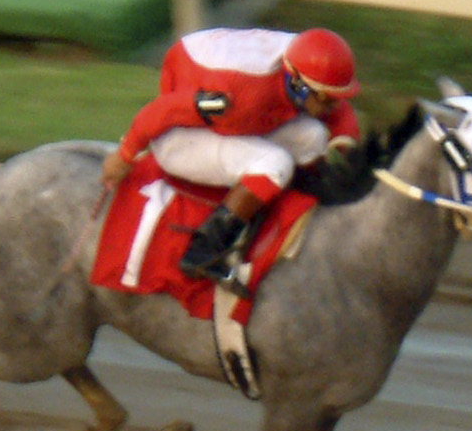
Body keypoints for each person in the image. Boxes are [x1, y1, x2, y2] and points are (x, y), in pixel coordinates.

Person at [103, 24, 366, 287]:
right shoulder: (237, 94)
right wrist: (124, 155)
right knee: (276, 163)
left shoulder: (305, 66)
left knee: (315, 135)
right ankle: (204, 250)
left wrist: (353, 157)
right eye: (327, 99)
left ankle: (290, 201)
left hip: (241, 108)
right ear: (298, 85)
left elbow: (340, 116)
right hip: (180, 133)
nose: (335, 106)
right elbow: (162, 112)